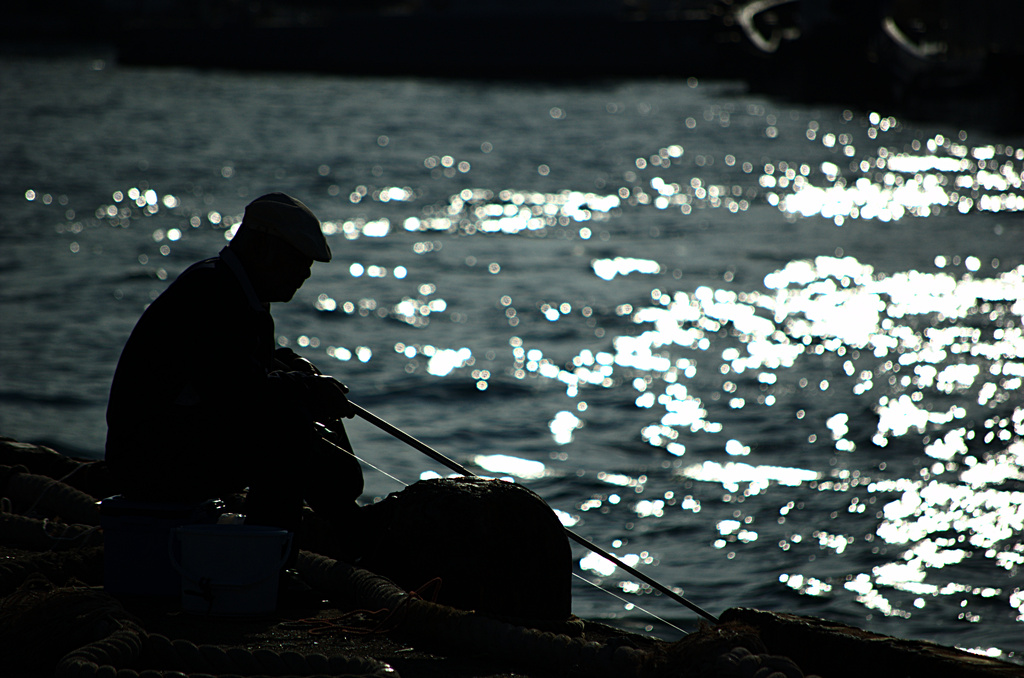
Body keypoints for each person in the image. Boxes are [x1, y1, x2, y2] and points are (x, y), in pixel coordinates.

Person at [104, 192, 362, 536]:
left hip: (165, 446)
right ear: (263, 245)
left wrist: (292, 367)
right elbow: (239, 393)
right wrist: (305, 387)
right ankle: (273, 561)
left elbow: (233, 368)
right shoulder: (212, 293)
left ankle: (339, 524)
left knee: (297, 397)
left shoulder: (230, 288)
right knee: (286, 432)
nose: (306, 273)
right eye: (298, 259)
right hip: (148, 463)